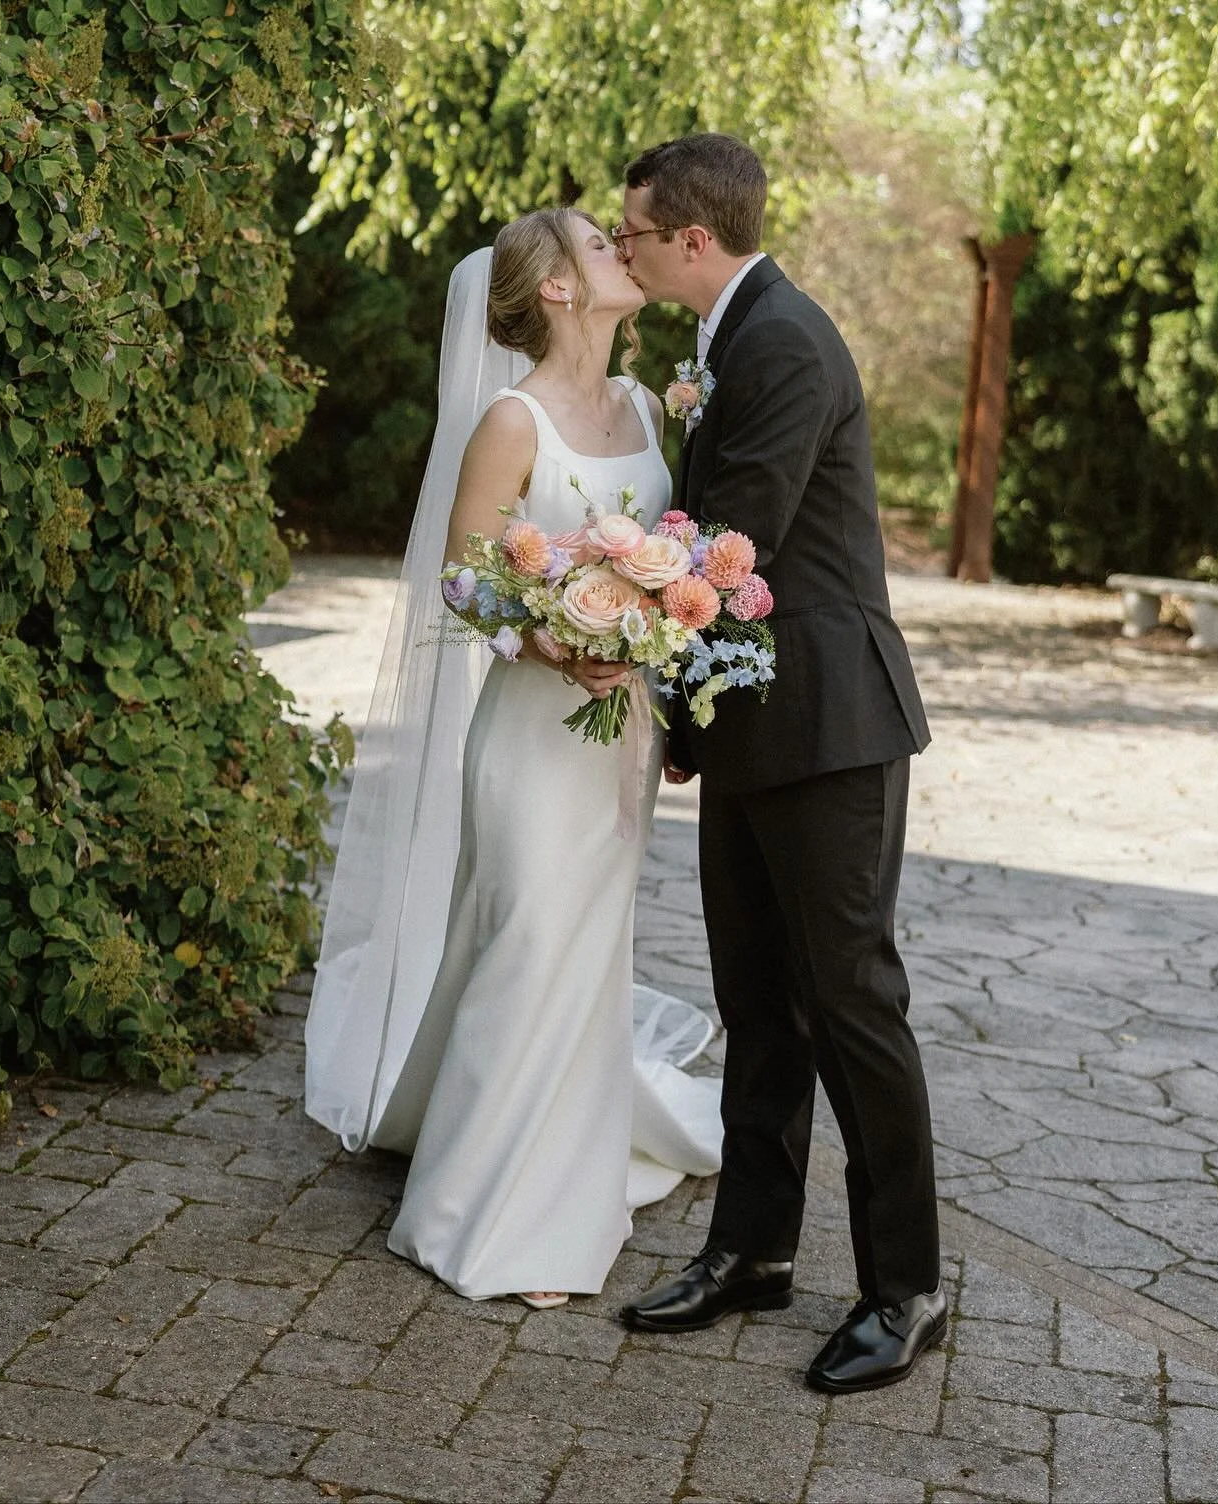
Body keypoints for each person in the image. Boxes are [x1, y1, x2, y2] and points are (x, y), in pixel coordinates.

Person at [304, 208, 721, 1308]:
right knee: (529, 932)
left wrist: (652, 625)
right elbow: (464, 580)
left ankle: (561, 1162)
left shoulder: (641, 405)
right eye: (599, 245)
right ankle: (484, 1207)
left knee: (588, 949)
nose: (620, 251)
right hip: (534, 728)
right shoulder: (510, 419)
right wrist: (544, 633)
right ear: (557, 291)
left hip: (619, 731)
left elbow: (667, 549)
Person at [611, 134, 945, 1393]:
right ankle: (751, 1248)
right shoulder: (727, 341)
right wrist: (692, 721)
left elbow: (730, 540)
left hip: (831, 726)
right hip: (754, 719)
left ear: (692, 240)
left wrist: (619, 629)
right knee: (757, 1000)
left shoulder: (786, 343)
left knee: (852, 1001)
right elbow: (721, 553)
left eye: (635, 233)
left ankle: (904, 1289)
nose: (627, 249)